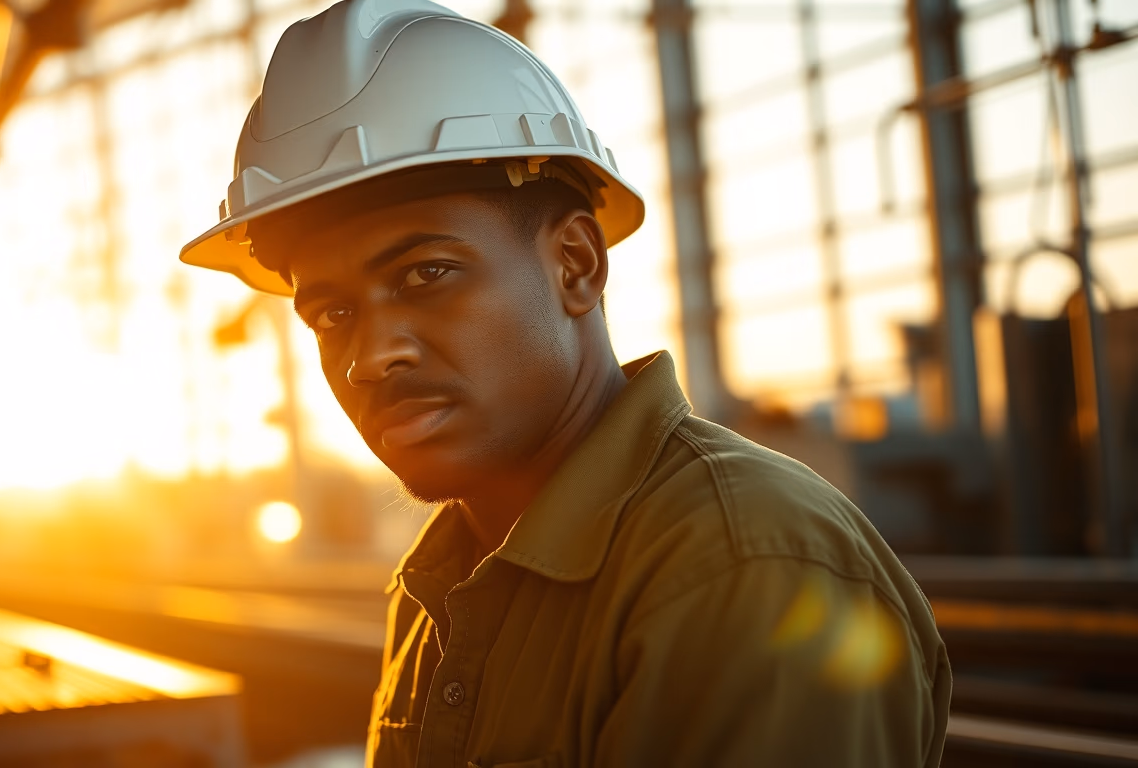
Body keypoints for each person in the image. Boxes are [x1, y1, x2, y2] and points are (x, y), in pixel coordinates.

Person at [179, 1, 951, 765]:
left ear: (575, 265)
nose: (368, 357)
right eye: (333, 312)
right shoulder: (442, 587)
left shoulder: (744, 569)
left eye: (426, 275)